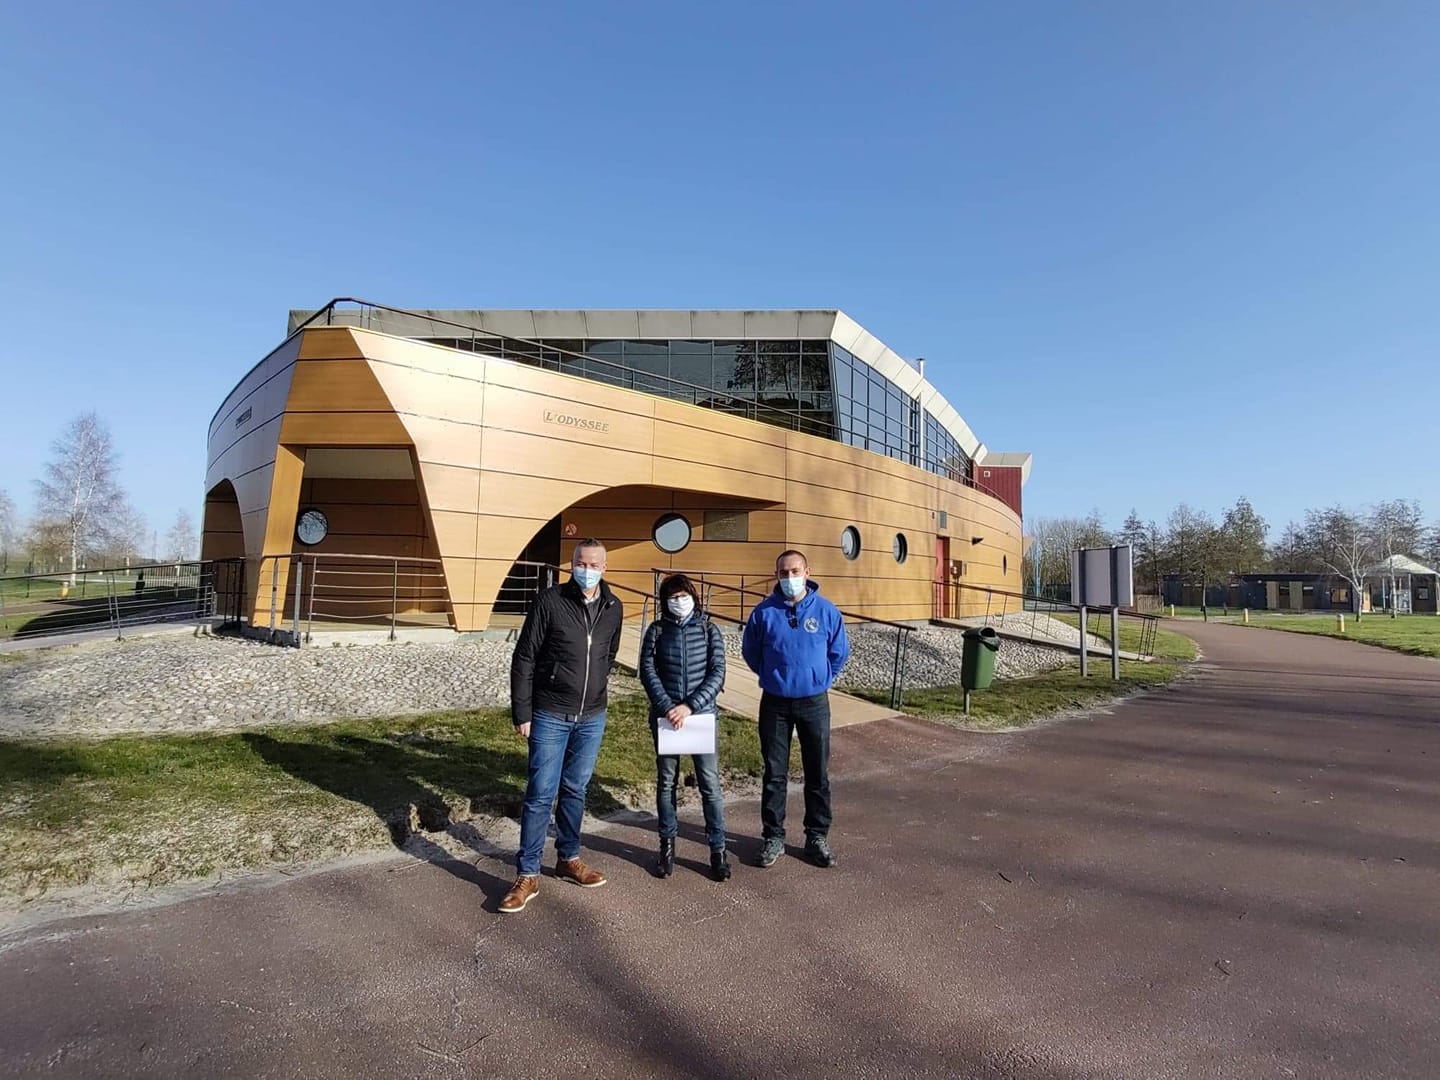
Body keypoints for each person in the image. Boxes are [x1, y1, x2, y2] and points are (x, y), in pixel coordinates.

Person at [500, 539, 624, 915]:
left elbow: (609, 654)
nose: (587, 570)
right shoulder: (550, 601)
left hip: (592, 716)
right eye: (581, 563)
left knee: (575, 789)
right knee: (540, 793)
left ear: (604, 568)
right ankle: (528, 874)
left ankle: (569, 858)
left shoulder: (614, 607)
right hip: (550, 714)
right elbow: (525, 657)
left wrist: (595, 688)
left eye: (595, 564)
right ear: (572, 564)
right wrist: (522, 712)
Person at [741, 549, 849, 869]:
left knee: (817, 773)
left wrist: (820, 677)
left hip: (814, 702)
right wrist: (773, 675)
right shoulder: (763, 613)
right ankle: (773, 836)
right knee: (775, 774)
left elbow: (838, 652)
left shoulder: (826, 611)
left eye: (795, 571)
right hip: (775, 703)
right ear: (777, 575)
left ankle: (816, 836)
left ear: (807, 572)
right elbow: (751, 652)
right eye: (783, 573)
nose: (789, 578)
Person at [639, 573, 730, 882]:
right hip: (666, 718)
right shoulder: (656, 630)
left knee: (710, 785)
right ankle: (666, 848)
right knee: (666, 783)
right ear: (665, 601)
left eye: (684, 595)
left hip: (701, 716)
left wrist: (689, 706)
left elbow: (717, 672)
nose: (679, 601)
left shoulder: (709, 629)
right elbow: (647, 670)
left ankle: (718, 850)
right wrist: (668, 707)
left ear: (694, 597)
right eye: (673, 597)